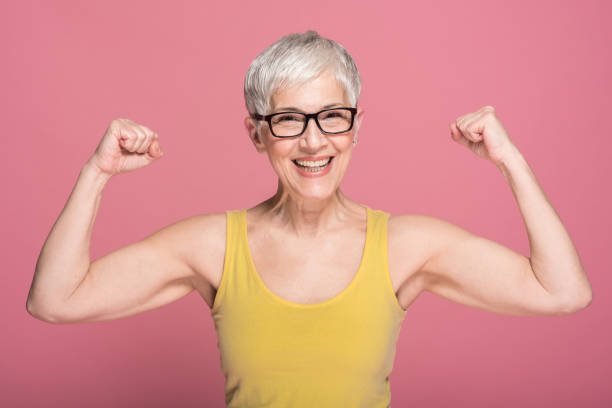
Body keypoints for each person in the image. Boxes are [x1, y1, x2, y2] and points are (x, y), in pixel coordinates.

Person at [26, 30, 593, 407]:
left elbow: (563, 290)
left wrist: (509, 161)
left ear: (357, 126)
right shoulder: (214, 245)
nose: (314, 141)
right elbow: (55, 300)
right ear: (257, 134)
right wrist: (96, 173)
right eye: (290, 119)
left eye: (332, 117)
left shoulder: (405, 245)